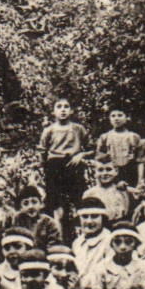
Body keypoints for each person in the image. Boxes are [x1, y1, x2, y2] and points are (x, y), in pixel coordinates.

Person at [38, 99, 91, 232]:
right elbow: (42, 151)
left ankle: (83, 233)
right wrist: (44, 169)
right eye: (59, 107)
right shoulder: (49, 130)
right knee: (56, 205)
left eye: (66, 107)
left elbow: (91, 148)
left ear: (71, 111)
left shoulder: (78, 129)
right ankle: (58, 236)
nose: (63, 110)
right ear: (53, 112)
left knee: (79, 200)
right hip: (55, 168)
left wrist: (81, 155)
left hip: (74, 165)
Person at [95, 107, 142, 185]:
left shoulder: (133, 136)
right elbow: (98, 158)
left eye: (120, 115)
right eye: (113, 116)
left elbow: (140, 160)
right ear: (109, 118)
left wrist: (140, 180)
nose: (116, 118)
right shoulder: (105, 137)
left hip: (130, 172)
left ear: (127, 117)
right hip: (111, 173)